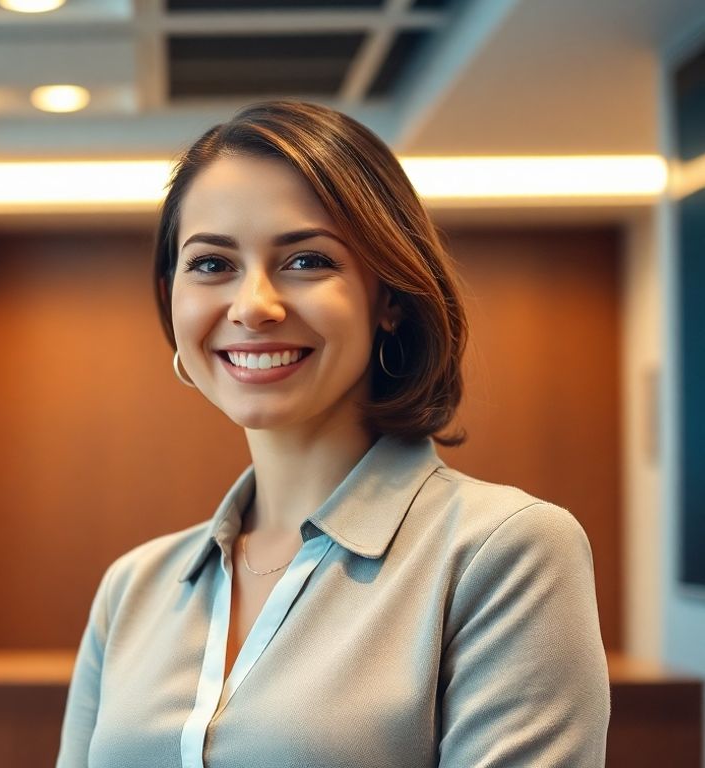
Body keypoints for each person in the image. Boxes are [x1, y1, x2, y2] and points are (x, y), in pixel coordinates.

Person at [54, 101, 611, 768]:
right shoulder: (133, 588)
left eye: (307, 260)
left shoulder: (503, 552)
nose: (254, 305)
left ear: (391, 299)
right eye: (211, 264)